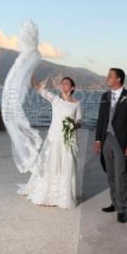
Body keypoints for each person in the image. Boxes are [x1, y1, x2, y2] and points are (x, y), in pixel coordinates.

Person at [17, 75, 83, 209]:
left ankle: (64, 195)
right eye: (62, 83)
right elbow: (39, 89)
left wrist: (72, 126)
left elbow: (79, 122)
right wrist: (31, 77)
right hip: (54, 138)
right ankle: (47, 194)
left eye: (66, 83)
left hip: (67, 139)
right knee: (50, 164)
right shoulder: (55, 100)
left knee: (66, 165)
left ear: (72, 87)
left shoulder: (76, 104)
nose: (63, 85)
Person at [94, 68, 127, 223]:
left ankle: (122, 209)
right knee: (110, 174)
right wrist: (98, 140)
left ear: (119, 79)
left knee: (120, 175)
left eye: (110, 76)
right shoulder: (105, 96)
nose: (107, 78)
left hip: (121, 142)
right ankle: (114, 203)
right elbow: (101, 120)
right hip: (106, 139)